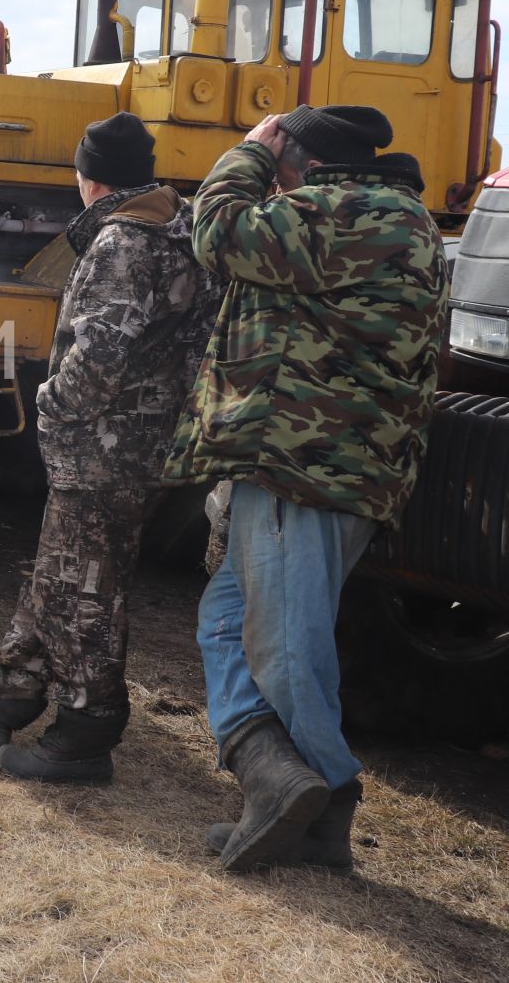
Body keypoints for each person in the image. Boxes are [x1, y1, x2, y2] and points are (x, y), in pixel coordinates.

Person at [167, 106, 445, 873]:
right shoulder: (383, 214)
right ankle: (277, 782)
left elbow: (217, 232)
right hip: (317, 461)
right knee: (228, 625)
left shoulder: (342, 210)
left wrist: (246, 152)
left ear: (301, 160)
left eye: (278, 156)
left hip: (307, 463)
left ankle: (324, 791)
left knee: (285, 646)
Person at [0, 113, 220, 782]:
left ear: (87, 177)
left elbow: (102, 349)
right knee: (61, 571)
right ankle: (5, 698)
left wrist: (53, 405)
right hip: (147, 439)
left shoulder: (123, 239)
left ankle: (87, 728)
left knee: (87, 586)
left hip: (105, 443)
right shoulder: (184, 226)